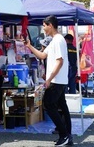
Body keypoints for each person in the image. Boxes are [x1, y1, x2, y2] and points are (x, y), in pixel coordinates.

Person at [24, 15, 72, 146]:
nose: (43, 28)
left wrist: (49, 79)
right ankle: (67, 135)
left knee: (49, 104)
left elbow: (60, 61)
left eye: (44, 26)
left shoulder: (58, 40)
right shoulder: (54, 40)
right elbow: (42, 55)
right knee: (62, 106)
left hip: (57, 80)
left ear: (50, 25)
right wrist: (29, 46)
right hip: (58, 79)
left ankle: (64, 134)